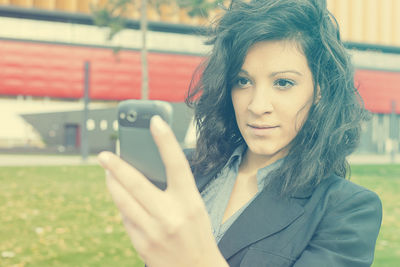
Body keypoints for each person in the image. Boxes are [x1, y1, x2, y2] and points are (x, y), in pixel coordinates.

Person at [97, 0, 382, 266]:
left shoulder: (348, 211)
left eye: (283, 83)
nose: (257, 106)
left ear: (319, 90)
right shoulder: (185, 172)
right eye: (242, 81)